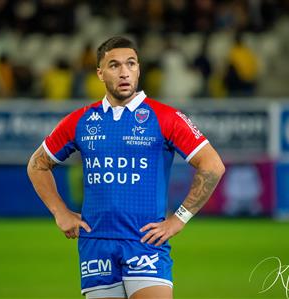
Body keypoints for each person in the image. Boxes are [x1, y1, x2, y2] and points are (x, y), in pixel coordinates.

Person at [27, 36, 225, 299]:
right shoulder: (81, 120)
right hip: (96, 245)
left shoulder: (166, 117)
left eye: (130, 64)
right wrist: (59, 211)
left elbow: (212, 165)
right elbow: (37, 165)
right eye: (114, 65)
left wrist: (178, 220)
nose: (124, 72)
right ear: (100, 73)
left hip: (145, 243)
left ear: (139, 69)